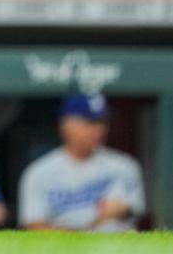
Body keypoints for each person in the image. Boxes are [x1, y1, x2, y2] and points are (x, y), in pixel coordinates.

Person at [18, 94, 145, 231]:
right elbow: (35, 227)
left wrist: (119, 211)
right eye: (90, 122)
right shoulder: (39, 172)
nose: (98, 130)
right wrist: (88, 230)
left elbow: (135, 211)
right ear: (66, 125)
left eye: (102, 122)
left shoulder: (124, 166)